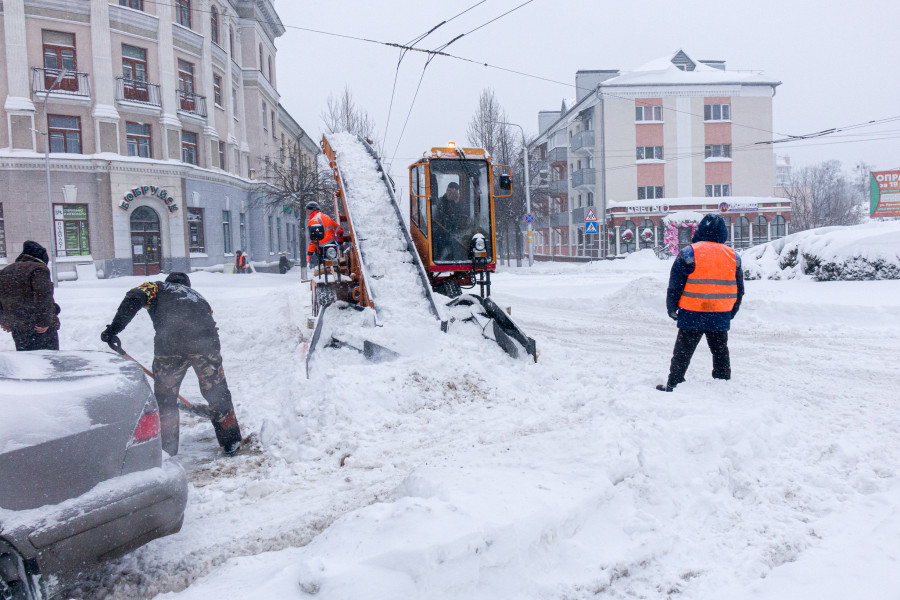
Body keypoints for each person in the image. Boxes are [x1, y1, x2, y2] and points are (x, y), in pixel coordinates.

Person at [101, 272, 243, 456]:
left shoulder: (157, 288)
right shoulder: (199, 298)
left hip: (170, 347)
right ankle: (231, 441)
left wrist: (114, 329)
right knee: (217, 392)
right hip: (205, 346)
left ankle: (167, 449)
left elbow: (134, 297)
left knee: (166, 398)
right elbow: (209, 323)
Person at [657, 213, 744, 392]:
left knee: (683, 352)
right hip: (719, 314)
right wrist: (731, 311)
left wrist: (672, 308)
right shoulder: (733, 256)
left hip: (692, 313)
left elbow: (675, 285)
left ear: (700, 231)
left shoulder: (689, 252)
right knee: (720, 352)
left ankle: (674, 383)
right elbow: (739, 289)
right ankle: (723, 385)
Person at [0, 240, 60, 351]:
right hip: (39, 328)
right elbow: (43, 297)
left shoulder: (5, 271)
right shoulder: (38, 269)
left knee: (26, 363)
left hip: (18, 328)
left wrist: (4, 320)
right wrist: (44, 322)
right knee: (48, 362)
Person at [305, 201, 343, 269]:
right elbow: (339, 230)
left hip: (321, 250)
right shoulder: (326, 217)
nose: (307, 212)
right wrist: (340, 243)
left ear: (312, 210)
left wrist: (309, 255)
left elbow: (313, 240)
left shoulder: (314, 220)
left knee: (323, 270)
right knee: (334, 267)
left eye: (307, 210)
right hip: (332, 248)